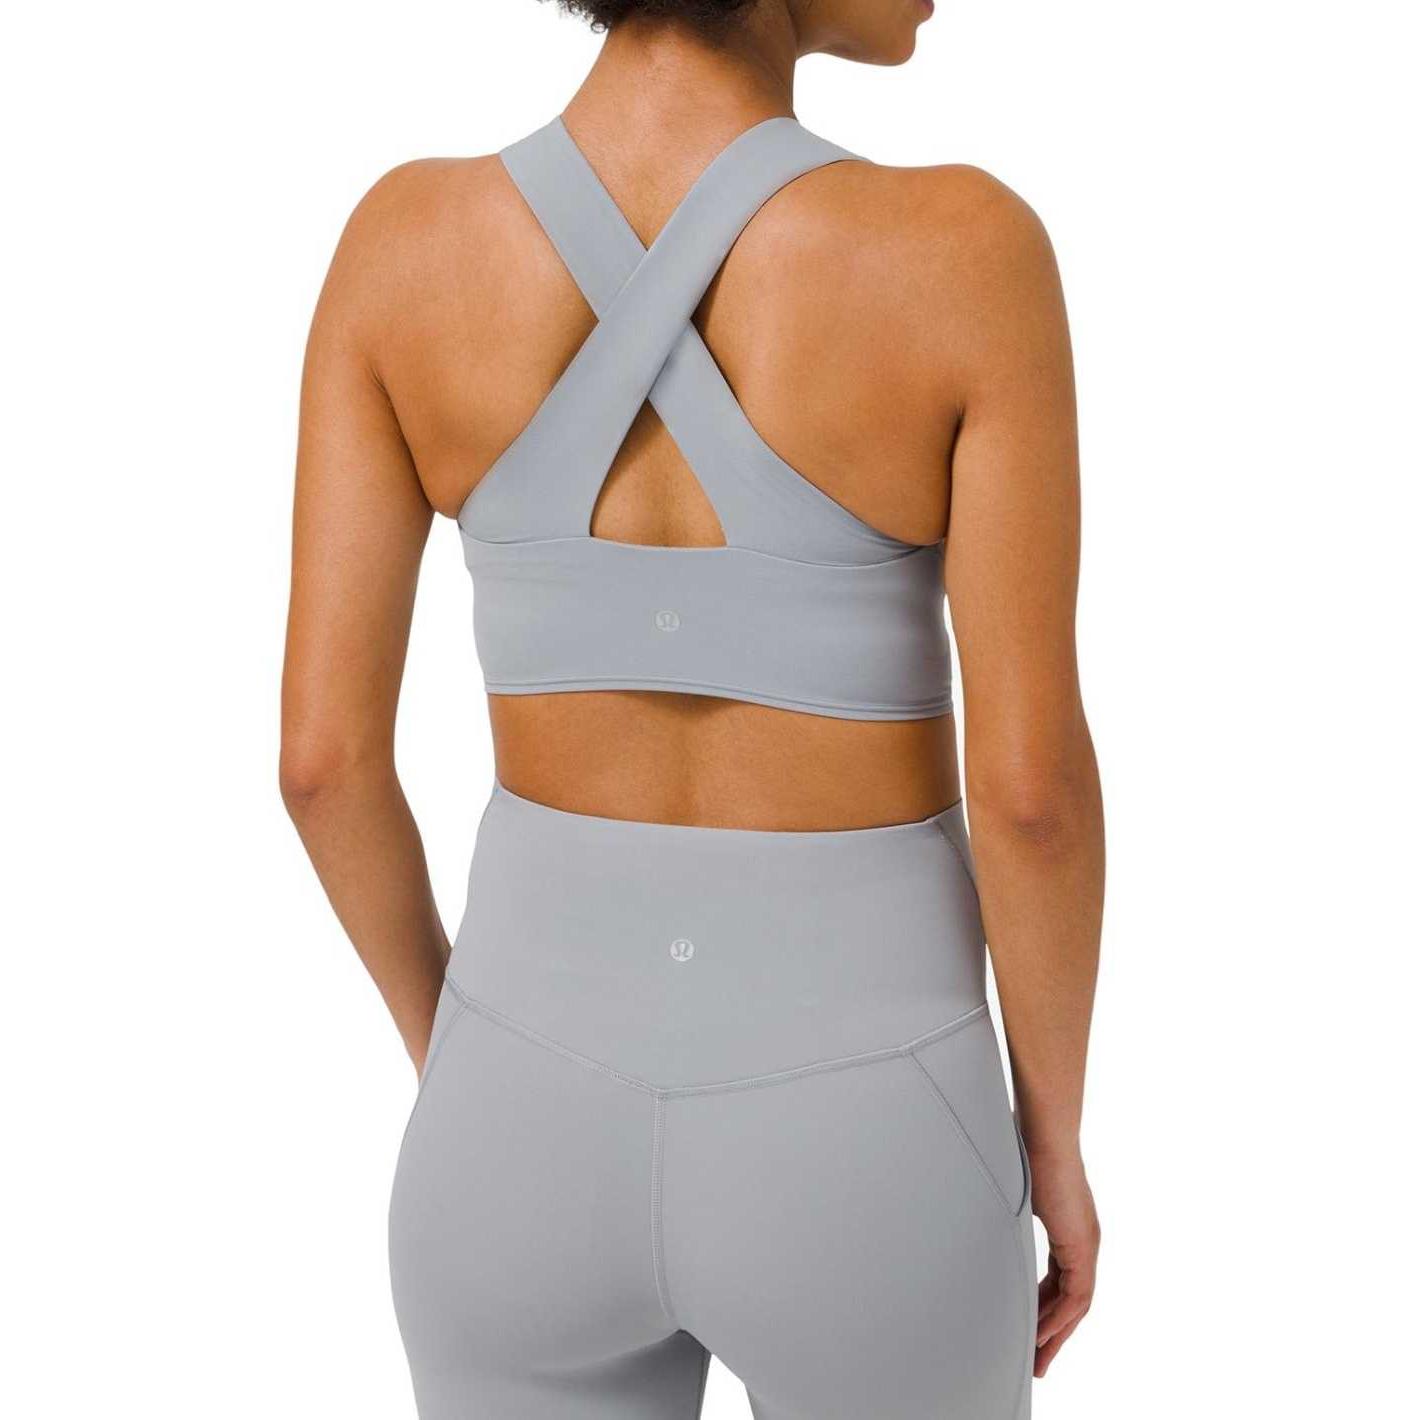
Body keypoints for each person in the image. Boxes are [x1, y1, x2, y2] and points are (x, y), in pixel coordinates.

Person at [280, 2, 1104, 1415]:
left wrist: (471, 1061)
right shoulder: (966, 253)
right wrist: (1055, 1148)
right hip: (870, 1139)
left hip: (513, 1118)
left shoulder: (403, 245)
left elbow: (321, 763)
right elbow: (1030, 800)